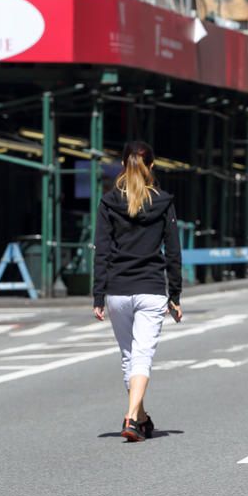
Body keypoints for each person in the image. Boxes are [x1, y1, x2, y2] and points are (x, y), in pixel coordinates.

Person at [93, 141, 182, 442]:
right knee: (142, 356)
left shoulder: (108, 202)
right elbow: (173, 252)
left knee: (129, 357)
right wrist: (176, 295)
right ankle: (132, 417)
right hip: (151, 288)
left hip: (117, 289)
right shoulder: (163, 202)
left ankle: (141, 418)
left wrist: (97, 295)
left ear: (122, 166)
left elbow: (101, 251)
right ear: (152, 167)